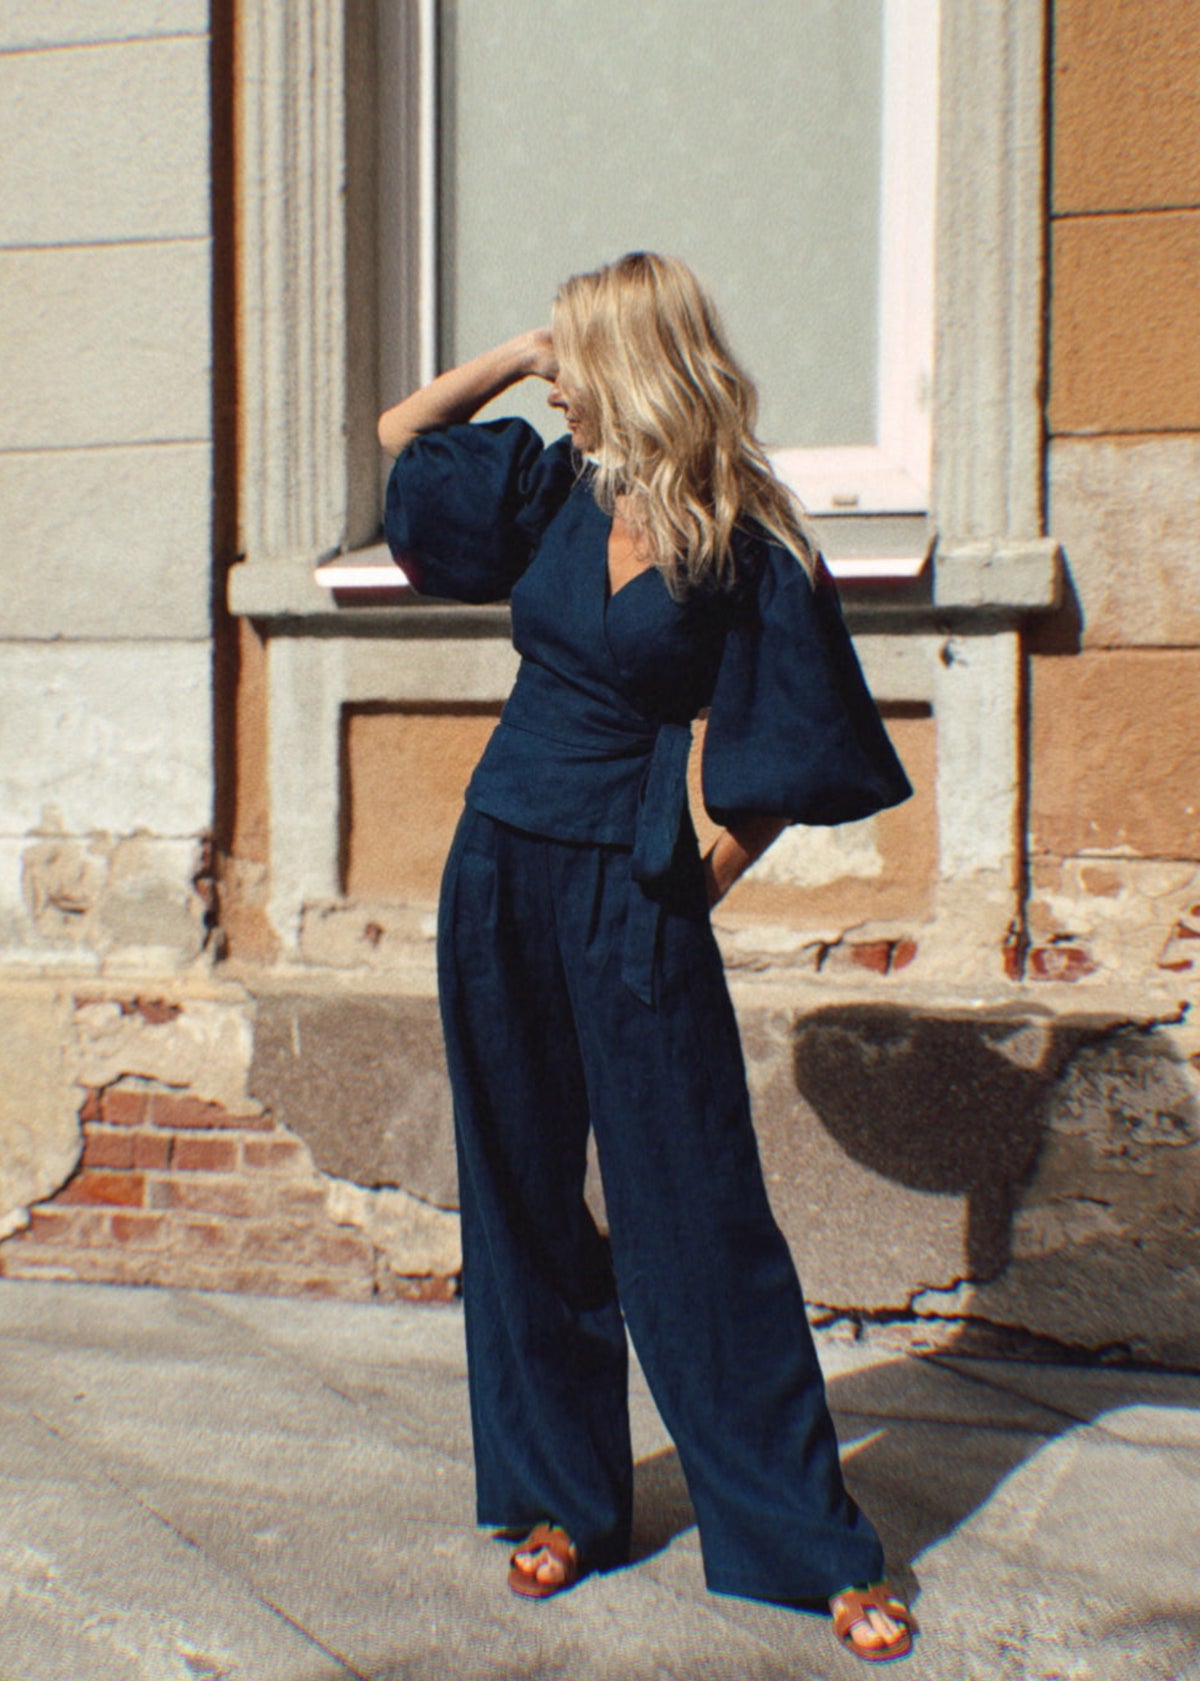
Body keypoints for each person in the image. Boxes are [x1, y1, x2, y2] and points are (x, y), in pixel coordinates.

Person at [378, 252, 917, 1664]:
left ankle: (807, 1547)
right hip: (497, 858)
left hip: (625, 886)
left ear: (641, 361)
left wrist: (683, 878)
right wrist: (512, 349)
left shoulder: (744, 536)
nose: (557, 376)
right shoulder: (557, 489)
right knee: (521, 1198)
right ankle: (564, 1498)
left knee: (696, 1209)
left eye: (576, 354)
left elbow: (792, 751)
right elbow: (403, 443)